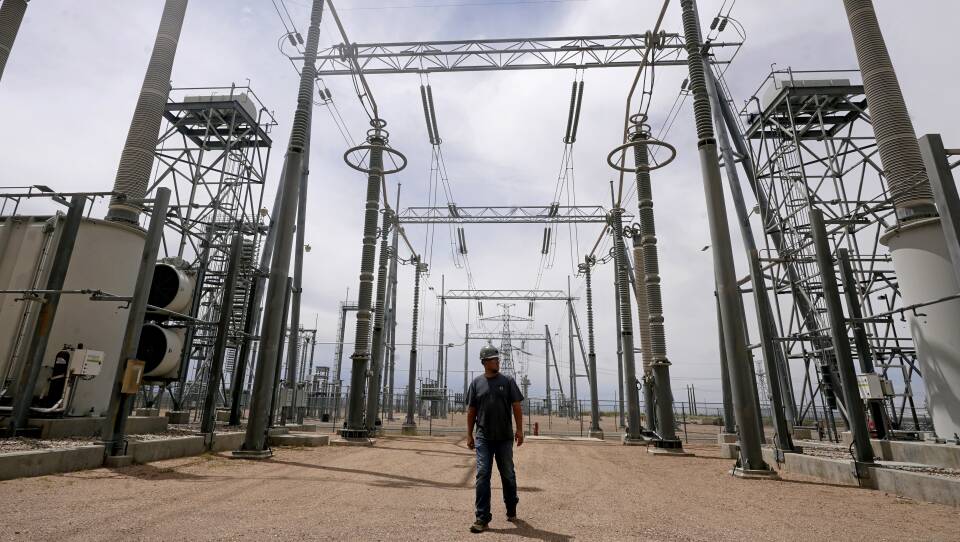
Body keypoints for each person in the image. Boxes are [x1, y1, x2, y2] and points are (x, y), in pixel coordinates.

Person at [465, 344, 524, 534]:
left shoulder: (507, 381)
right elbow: (471, 410)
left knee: (508, 474)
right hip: (483, 437)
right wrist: (469, 434)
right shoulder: (476, 384)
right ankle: (482, 517)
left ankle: (511, 505)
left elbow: (516, 406)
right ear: (484, 362)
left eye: (497, 359)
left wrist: (520, 430)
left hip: (504, 437)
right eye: (493, 359)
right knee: (482, 474)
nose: (497, 361)